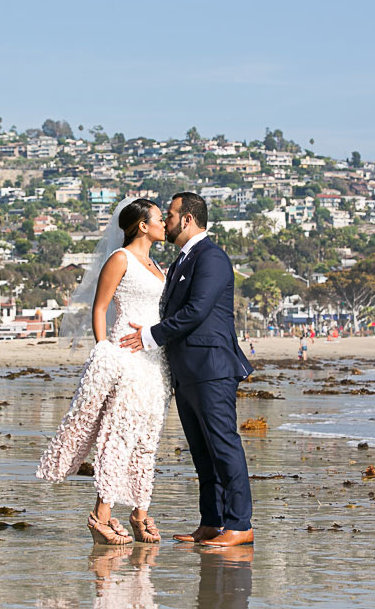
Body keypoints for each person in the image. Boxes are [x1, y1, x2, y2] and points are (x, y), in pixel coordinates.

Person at [120, 192, 255, 548]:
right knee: (202, 452)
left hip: (211, 368)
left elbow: (196, 311)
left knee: (224, 447)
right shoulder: (184, 258)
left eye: (171, 214)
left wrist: (149, 337)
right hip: (186, 371)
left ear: (188, 219)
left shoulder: (211, 257)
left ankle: (240, 524)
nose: (166, 220)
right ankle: (211, 522)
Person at [37, 198, 171, 545]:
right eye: (159, 218)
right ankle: (101, 516)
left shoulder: (157, 265)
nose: (163, 223)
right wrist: (105, 351)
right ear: (142, 225)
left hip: (154, 362)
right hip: (125, 357)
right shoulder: (120, 258)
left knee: (146, 440)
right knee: (118, 436)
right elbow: (100, 307)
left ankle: (140, 512)